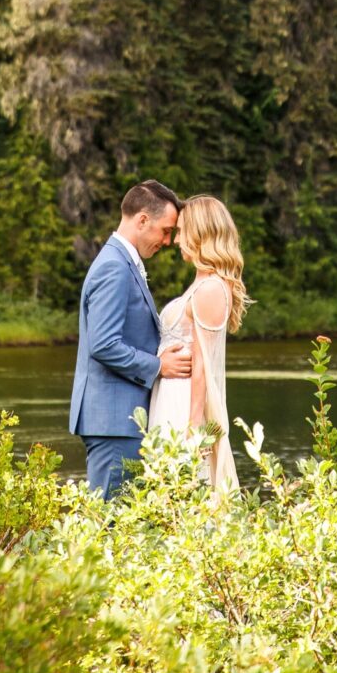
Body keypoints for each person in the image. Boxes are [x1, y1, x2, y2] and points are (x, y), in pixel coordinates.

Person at [69, 179, 193, 499]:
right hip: (113, 422)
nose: (167, 241)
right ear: (142, 220)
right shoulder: (114, 267)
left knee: (122, 528)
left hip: (118, 420)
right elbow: (103, 344)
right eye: (166, 230)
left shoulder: (123, 263)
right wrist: (158, 366)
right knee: (108, 528)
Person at [148, 194, 248, 491]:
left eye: (181, 232)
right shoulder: (201, 284)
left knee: (185, 490)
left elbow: (204, 364)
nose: (176, 240)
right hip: (169, 395)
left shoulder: (211, 289)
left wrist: (193, 427)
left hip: (184, 404)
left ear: (200, 233)